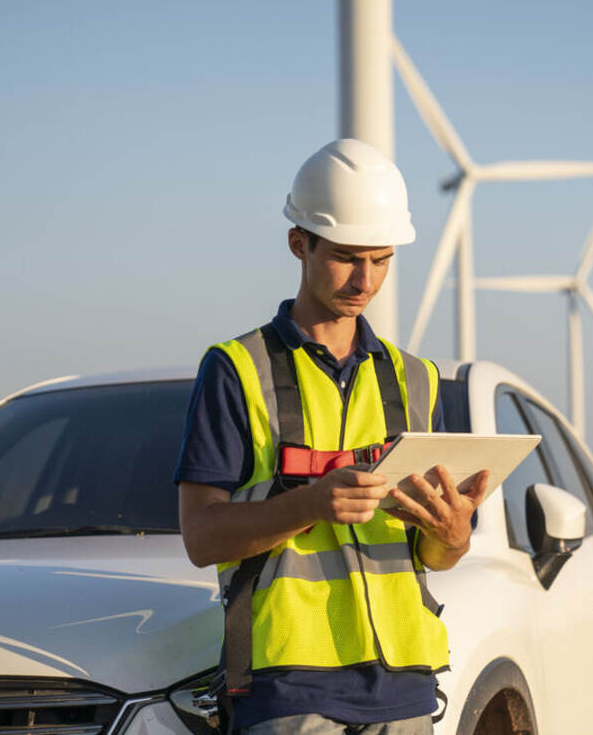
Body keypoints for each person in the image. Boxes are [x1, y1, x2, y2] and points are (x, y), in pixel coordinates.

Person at [175, 138, 489, 735]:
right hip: (288, 686)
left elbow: (432, 556)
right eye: (347, 256)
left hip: (406, 685)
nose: (365, 279)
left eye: (382, 259)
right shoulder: (237, 369)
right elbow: (201, 536)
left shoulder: (416, 380)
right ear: (300, 243)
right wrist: (312, 503)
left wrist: (455, 537)